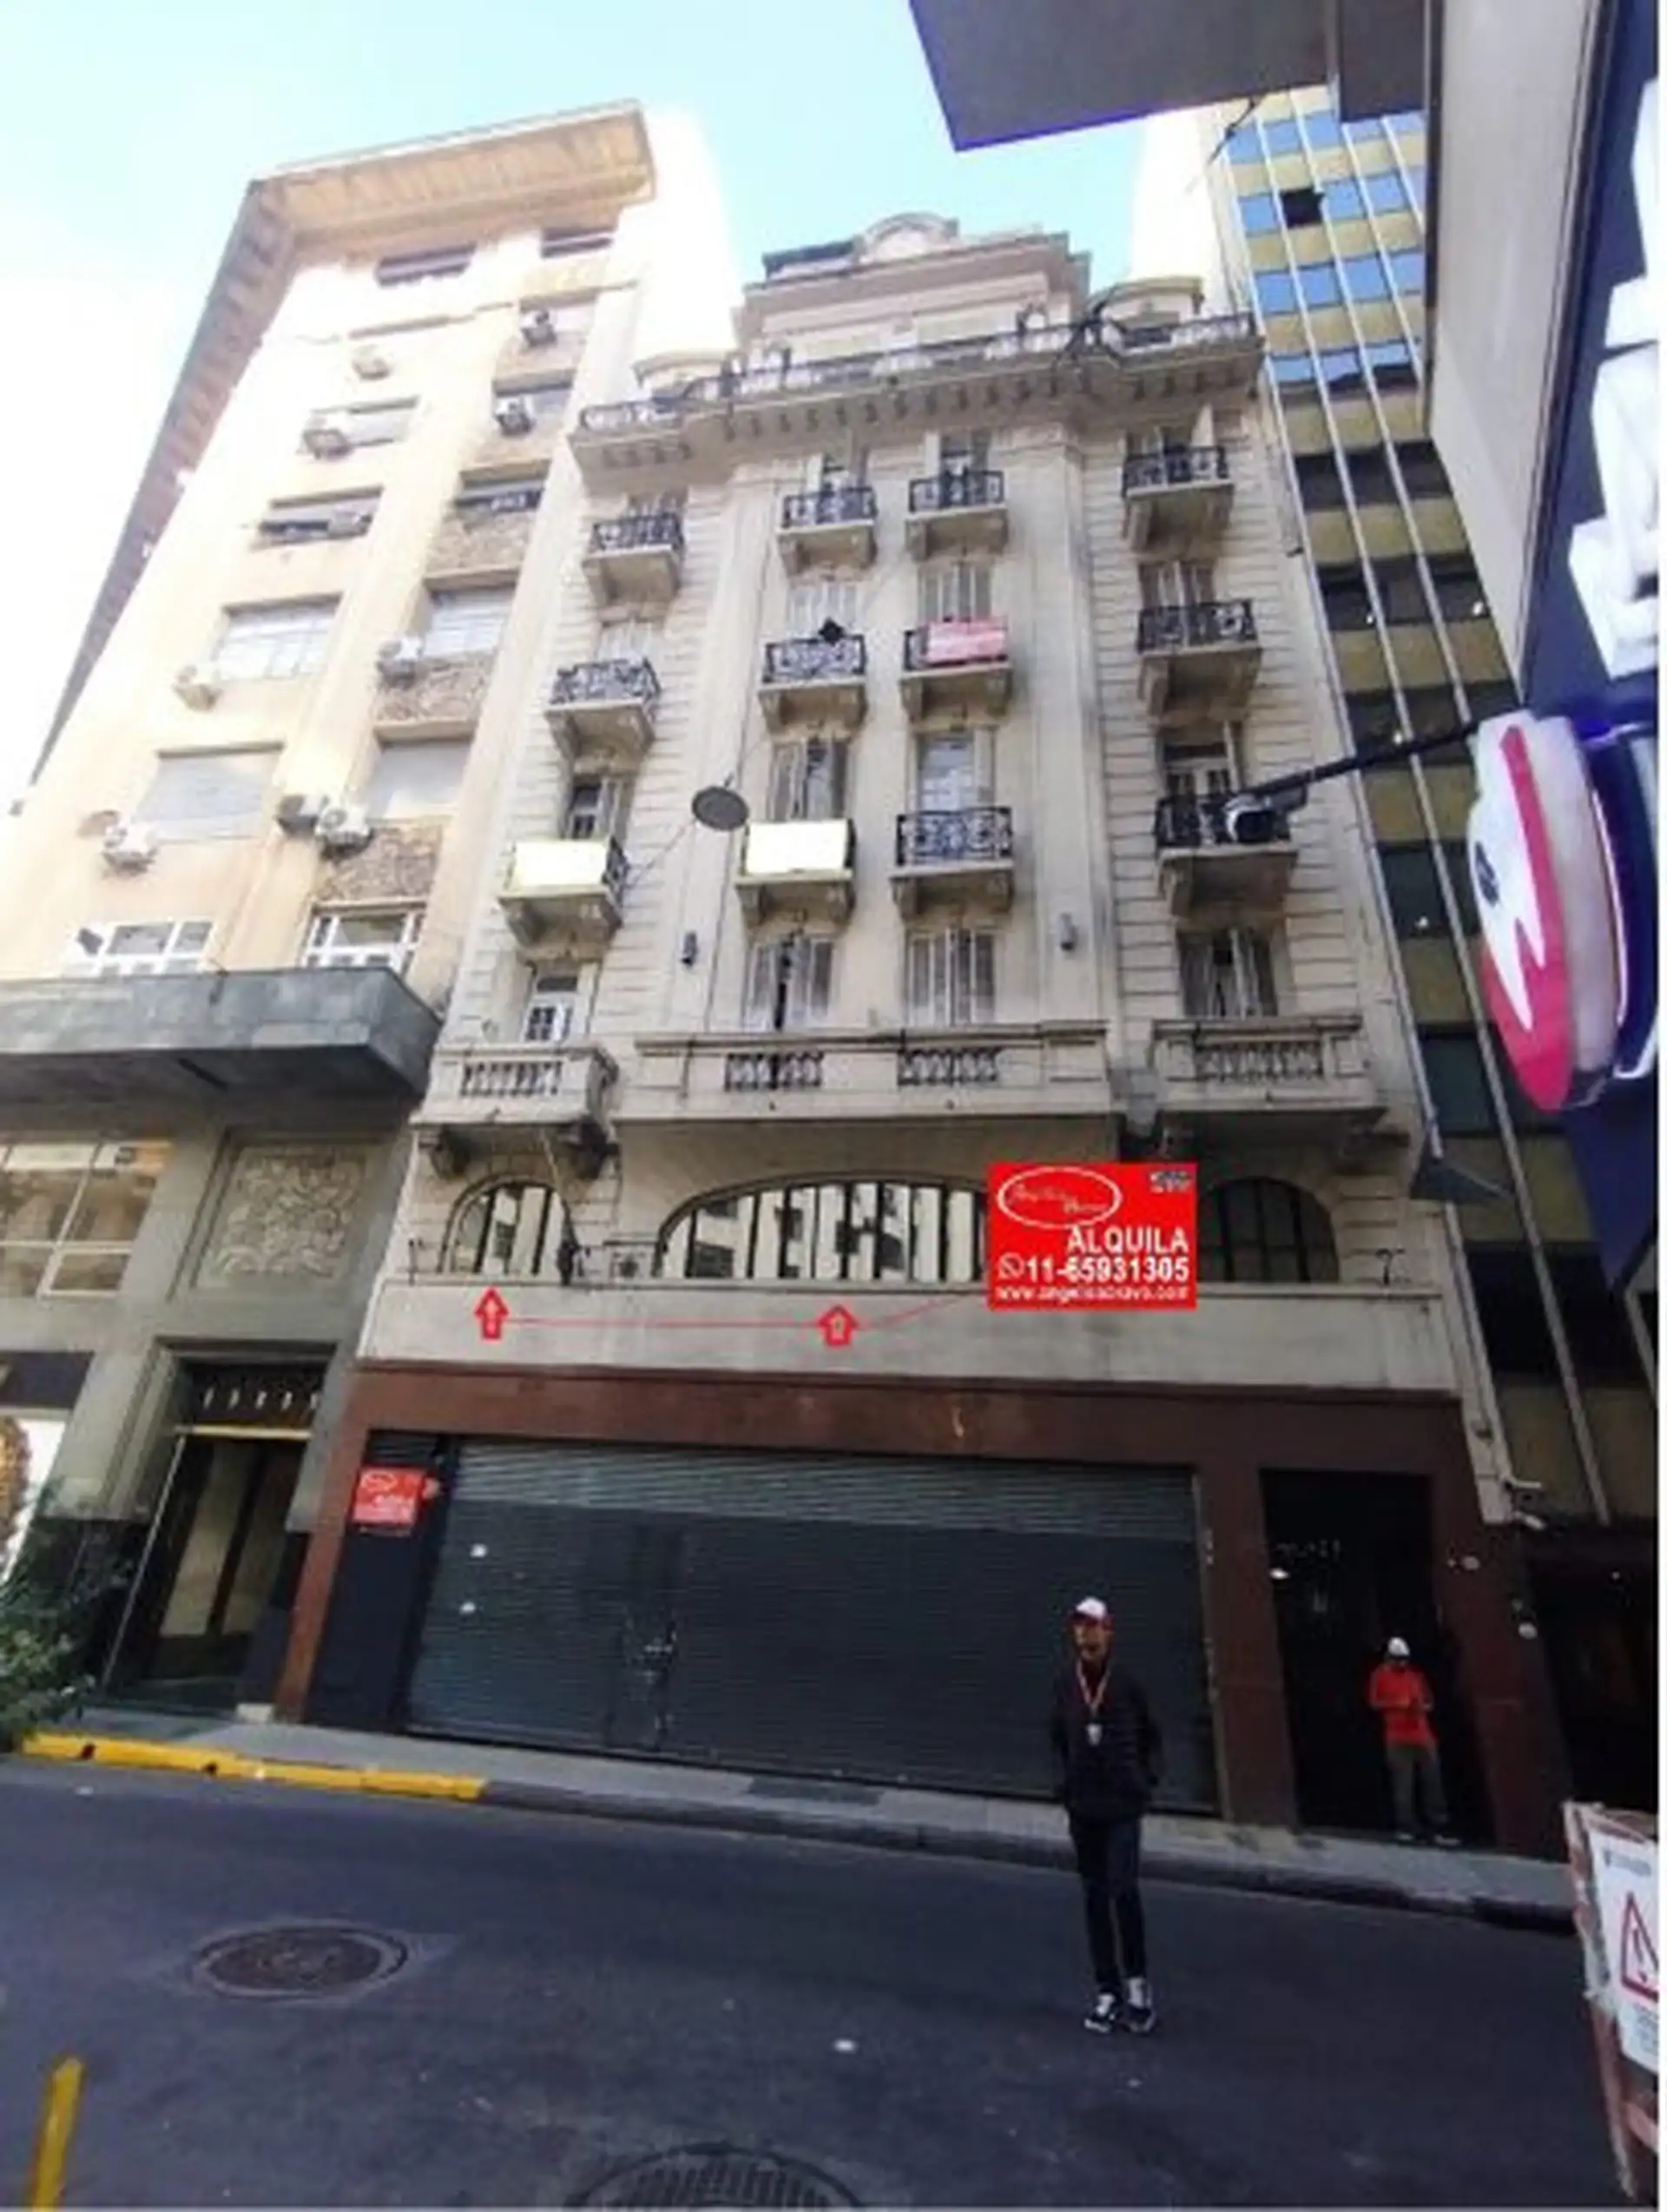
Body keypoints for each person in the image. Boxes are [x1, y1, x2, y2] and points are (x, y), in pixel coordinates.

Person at [1049, 1596, 1163, 2035]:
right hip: (1084, 1806)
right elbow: (1056, 1737)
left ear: (1109, 1631)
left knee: (1124, 1890)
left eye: (1093, 1625)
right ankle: (1107, 1990)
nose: (1085, 1633)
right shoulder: (1065, 1684)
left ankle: (1138, 1986)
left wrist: (1145, 1782)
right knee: (1094, 1897)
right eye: (1079, 1625)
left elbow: (1152, 1736)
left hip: (1122, 1806)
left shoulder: (1128, 1684)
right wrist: (1063, 1784)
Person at [1367, 1635, 1456, 1845]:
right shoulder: (1379, 1676)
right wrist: (1397, 1704)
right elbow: (1374, 1702)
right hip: (1397, 1737)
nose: (1401, 1663)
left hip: (1423, 1735)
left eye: (1404, 1659)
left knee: (1433, 1782)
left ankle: (1438, 1828)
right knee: (1403, 1784)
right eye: (1397, 1659)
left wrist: (1420, 1706)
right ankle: (1406, 1827)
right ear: (1389, 1657)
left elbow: (1429, 1701)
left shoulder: (1416, 1676)